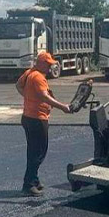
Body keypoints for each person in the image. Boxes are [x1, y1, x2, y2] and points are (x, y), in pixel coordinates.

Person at [16, 52, 71, 197]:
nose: (49, 67)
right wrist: (63, 107)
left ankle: (34, 179)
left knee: (33, 150)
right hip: (37, 119)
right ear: (40, 63)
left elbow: (18, 85)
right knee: (38, 152)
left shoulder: (29, 73)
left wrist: (29, 97)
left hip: (27, 117)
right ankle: (28, 185)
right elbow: (44, 96)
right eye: (47, 64)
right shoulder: (38, 77)